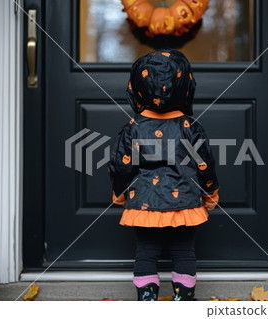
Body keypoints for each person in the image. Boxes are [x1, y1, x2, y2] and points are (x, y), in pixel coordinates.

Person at [108, 49, 219, 301]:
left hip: (143, 204)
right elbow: (205, 165)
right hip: (185, 204)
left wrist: (120, 193)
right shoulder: (190, 127)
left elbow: (121, 165)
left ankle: (148, 301)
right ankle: (184, 301)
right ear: (185, 86)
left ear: (136, 88)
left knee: (146, 252)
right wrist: (210, 192)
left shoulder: (132, 128)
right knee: (184, 252)